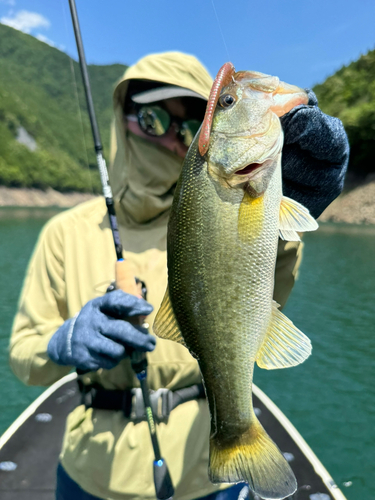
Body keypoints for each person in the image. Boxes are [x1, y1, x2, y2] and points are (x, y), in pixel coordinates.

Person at [9, 51, 349, 500]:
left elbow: (271, 273)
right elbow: (23, 356)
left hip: (203, 480)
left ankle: (234, 432)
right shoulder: (63, 233)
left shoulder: (215, 198)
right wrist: (64, 344)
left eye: (187, 127)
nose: (171, 139)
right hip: (89, 473)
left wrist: (295, 202)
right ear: (122, 119)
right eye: (152, 119)